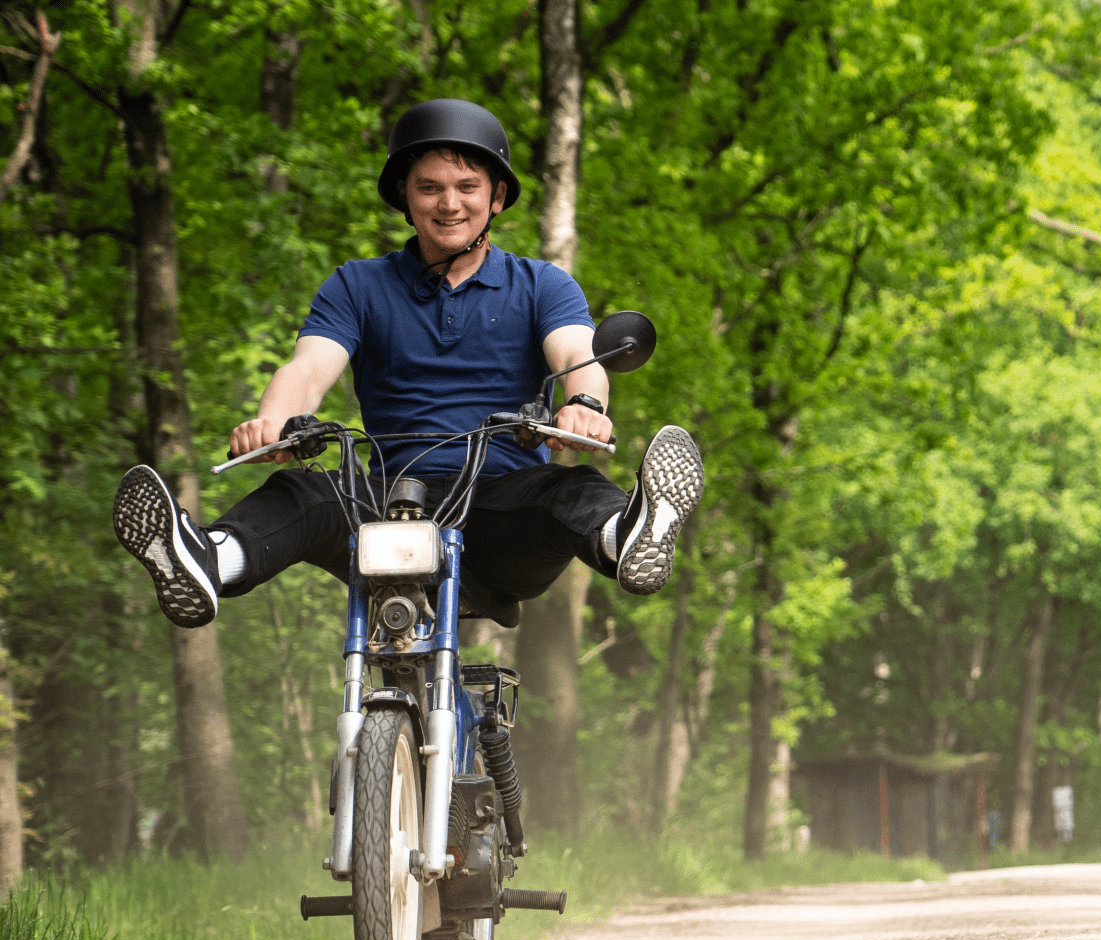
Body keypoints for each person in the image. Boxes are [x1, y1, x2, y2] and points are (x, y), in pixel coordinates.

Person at [112, 98, 705, 628]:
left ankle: (628, 537)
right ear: (405, 196)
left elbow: (577, 353)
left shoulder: (541, 285)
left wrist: (583, 405)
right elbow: (307, 369)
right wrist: (274, 424)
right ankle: (204, 559)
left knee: (570, 487)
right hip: (392, 504)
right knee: (301, 492)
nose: (450, 203)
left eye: (468, 186)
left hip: (501, 505)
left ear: (496, 196)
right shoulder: (357, 285)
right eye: (429, 187)